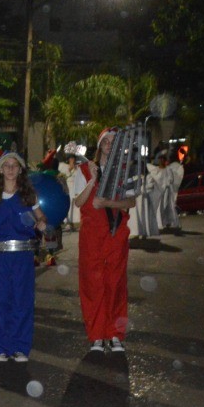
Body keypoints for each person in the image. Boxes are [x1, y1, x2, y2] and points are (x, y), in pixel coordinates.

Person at [70, 128, 137, 354]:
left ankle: (115, 334)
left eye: (113, 142)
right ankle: (96, 335)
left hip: (116, 234)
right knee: (92, 284)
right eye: (105, 141)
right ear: (99, 146)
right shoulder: (85, 169)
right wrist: (92, 182)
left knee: (116, 283)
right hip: (91, 236)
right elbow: (78, 202)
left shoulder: (124, 172)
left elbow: (130, 203)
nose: (109, 144)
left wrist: (107, 204)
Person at [0, 152, 46, 362]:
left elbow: (40, 215)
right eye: (7, 166)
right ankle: (0, 348)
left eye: (15, 166)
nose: (11, 169)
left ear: (20, 169)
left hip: (22, 256)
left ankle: (20, 348)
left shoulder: (27, 196)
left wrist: (41, 221)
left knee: (21, 300)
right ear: (1, 170)